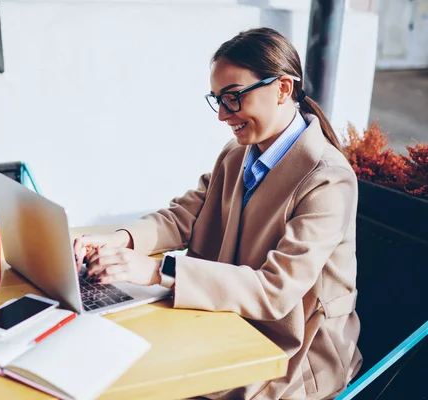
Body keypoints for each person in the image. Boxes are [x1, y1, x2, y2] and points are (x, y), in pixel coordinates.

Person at [73, 27, 362, 400]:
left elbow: (275, 291)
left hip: (293, 359)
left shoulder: (328, 181)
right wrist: (117, 241)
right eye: (218, 100)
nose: (223, 115)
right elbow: (182, 217)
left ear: (283, 89)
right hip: (226, 324)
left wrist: (157, 270)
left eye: (233, 98)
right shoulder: (237, 154)